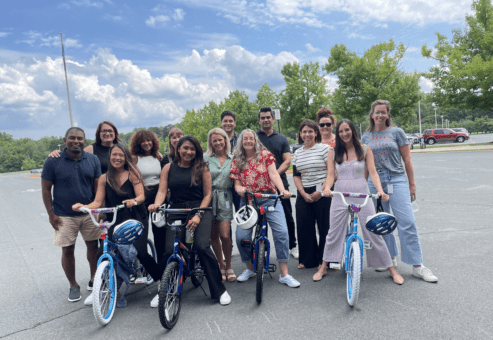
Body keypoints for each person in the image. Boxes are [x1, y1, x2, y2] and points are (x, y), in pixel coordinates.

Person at [313, 119, 403, 284]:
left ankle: (391, 269)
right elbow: (331, 175)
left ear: (352, 131)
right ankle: (324, 266)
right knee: (333, 233)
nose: (344, 134)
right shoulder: (333, 151)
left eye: (347, 130)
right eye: (341, 131)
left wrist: (380, 191)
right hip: (340, 195)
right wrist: (326, 187)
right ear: (338, 134)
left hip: (361, 194)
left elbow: (373, 173)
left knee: (373, 232)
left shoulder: (364, 149)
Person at [72, 143, 161, 304]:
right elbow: (98, 201)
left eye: (121, 155)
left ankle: (162, 283)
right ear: (110, 157)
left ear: (125, 157)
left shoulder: (133, 173)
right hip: (115, 217)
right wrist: (83, 207)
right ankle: (104, 287)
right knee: (103, 254)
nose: (117, 158)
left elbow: (141, 196)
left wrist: (133, 201)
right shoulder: (104, 178)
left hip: (135, 216)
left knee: (140, 252)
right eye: (114, 155)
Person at [149, 135, 231, 306]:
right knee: (168, 250)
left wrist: (198, 215)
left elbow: (208, 195)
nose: (188, 152)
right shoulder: (168, 168)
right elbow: (162, 192)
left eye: (192, 149)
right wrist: (156, 204)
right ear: (178, 149)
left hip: (199, 209)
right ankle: (164, 290)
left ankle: (219, 289)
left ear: (196, 151)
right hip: (176, 209)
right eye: (185, 148)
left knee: (202, 246)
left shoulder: (202, 168)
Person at [361, 100, 438, 282]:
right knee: (382, 222)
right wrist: (362, 186)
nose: (380, 115)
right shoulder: (366, 137)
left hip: (397, 179)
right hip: (375, 182)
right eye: (377, 112)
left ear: (388, 115)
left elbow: (407, 160)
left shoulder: (397, 133)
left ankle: (417, 265)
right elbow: (366, 165)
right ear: (371, 115)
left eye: (383, 112)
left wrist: (412, 184)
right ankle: (390, 259)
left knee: (407, 221)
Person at [230, 129, 300, 288]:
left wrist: (282, 190)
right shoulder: (237, 159)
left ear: (255, 141)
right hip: (248, 201)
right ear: (241, 141)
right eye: (245, 139)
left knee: (282, 232)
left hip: (269, 199)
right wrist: (239, 188)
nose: (248, 141)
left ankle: (284, 274)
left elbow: (274, 174)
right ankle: (249, 269)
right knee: (241, 237)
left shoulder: (265, 155)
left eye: (251, 138)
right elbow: (236, 183)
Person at [41, 127, 102, 303]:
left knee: (93, 246)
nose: (76, 141)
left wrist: (99, 209)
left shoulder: (93, 159)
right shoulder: (53, 161)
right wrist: (51, 214)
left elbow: (98, 187)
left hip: (89, 212)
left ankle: (93, 279)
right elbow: (46, 189)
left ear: (85, 140)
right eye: (72, 138)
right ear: (65, 140)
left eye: (80, 138)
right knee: (68, 249)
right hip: (63, 214)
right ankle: (73, 285)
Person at [256, 107, 299, 260]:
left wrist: (274, 176)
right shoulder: (254, 138)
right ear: (259, 120)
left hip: (281, 184)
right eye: (263, 118)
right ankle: (263, 250)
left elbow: (288, 160)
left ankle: (292, 245)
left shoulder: (281, 138)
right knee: (261, 219)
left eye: (268, 117)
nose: (266, 120)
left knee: (287, 216)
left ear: (273, 119)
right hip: (259, 186)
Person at [292, 120, 331, 269]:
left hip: (322, 191)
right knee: (304, 226)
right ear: (300, 134)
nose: (307, 134)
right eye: (304, 132)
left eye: (310, 131)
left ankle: (325, 260)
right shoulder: (297, 153)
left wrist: (321, 191)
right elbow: (296, 175)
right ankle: (308, 260)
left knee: (324, 227)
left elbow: (331, 173)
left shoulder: (325, 149)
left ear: (316, 133)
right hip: (304, 192)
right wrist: (302, 193)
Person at [130, 129, 165, 273]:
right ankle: (148, 266)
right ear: (138, 143)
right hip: (142, 195)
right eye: (143, 141)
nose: (146, 143)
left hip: (159, 195)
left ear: (153, 141)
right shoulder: (134, 158)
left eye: (148, 140)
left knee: (160, 233)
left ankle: (163, 268)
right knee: (140, 235)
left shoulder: (158, 156)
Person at [203, 128, 235, 282]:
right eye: (214, 140)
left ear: (225, 140)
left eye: (220, 140)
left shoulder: (232, 158)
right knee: (213, 236)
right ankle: (220, 265)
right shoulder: (205, 158)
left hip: (226, 197)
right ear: (211, 143)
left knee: (225, 235)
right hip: (210, 198)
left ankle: (229, 265)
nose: (217, 143)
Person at [48, 121, 121, 174]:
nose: (107, 133)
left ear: (115, 133)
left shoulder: (121, 149)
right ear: (99, 134)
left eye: (110, 131)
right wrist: (58, 153)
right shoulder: (91, 148)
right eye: (104, 131)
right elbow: (74, 155)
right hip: (99, 190)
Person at [220, 110, 241, 213]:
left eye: (230, 121)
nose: (228, 123)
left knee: (241, 214)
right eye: (225, 121)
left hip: (239, 182)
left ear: (234, 123)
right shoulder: (216, 140)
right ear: (221, 123)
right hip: (223, 184)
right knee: (224, 218)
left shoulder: (241, 140)